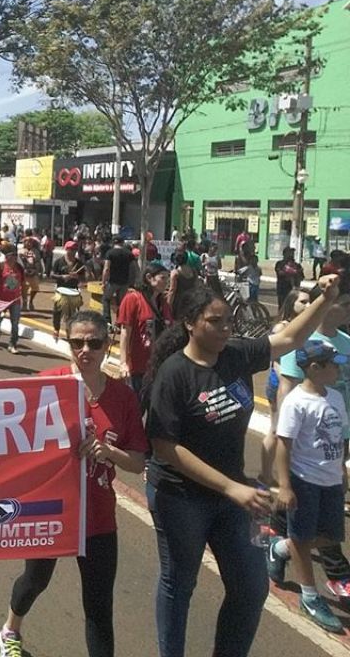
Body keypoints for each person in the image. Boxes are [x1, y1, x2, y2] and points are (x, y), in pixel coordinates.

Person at [143, 275, 341, 657]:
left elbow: (290, 340)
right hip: (181, 497)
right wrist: (232, 488)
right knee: (179, 584)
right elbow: (165, 447)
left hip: (232, 497)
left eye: (227, 321)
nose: (224, 328)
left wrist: (323, 298)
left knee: (251, 588)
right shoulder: (174, 375)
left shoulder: (235, 353)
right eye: (214, 321)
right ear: (190, 323)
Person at [0, 310, 147, 657]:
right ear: (68, 344)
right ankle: (10, 630)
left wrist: (107, 451)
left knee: (98, 607)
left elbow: (138, 461)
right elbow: (14, 445)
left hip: (97, 518)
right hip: (50, 511)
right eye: (77, 342)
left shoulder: (123, 397)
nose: (85, 350)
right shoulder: (45, 384)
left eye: (94, 342)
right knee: (35, 580)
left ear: (107, 344)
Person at [267, 341, 349, 634]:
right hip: (304, 480)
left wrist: (341, 469)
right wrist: (285, 485)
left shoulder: (336, 397)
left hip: (330, 479)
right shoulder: (297, 402)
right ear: (314, 368)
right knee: (303, 538)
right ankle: (310, 596)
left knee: (328, 537)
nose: (339, 369)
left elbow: (339, 438)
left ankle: (279, 548)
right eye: (333, 364)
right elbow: (284, 445)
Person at [259, 289, 312, 486]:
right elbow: (276, 362)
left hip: (297, 384)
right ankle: (265, 474)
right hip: (280, 384)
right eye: (303, 302)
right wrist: (287, 384)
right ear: (292, 304)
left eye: (309, 302)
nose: (308, 306)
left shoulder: (305, 326)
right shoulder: (282, 328)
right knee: (276, 430)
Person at [117, 262, 172, 399]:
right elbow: (125, 332)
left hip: (159, 365)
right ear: (149, 278)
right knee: (137, 406)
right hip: (138, 366)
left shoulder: (163, 302)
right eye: (163, 278)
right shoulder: (133, 299)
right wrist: (123, 362)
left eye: (168, 278)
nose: (167, 282)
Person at [0, 243, 25, 353]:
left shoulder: (19, 268)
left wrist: (24, 298)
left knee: (15, 323)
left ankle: (13, 344)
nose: (14, 257)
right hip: (1, 299)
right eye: (12, 255)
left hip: (15, 300)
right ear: (6, 256)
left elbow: (23, 283)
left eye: (15, 255)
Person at [51, 240, 86, 343]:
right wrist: (62, 276)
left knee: (72, 314)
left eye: (74, 250)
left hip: (73, 291)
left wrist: (78, 276)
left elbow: (84, 278)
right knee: (57, 312)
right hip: (60, 290)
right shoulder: (59, 261)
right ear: (66, 249)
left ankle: (69, 333)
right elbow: (52, 274)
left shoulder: (79, 263)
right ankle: (56, 329)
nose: (73, 252)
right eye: (71, 249)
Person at [101, 237, 135, 326]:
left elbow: (106, 268)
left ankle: (107, 321)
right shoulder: (129, 254)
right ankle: (119, 323)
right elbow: (133, 269)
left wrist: (103, 282)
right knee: (122, 302)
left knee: (106, 299)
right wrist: (131, 283)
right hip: (124, 282)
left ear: (113, 243)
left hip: (112, 282)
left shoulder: (110, 253)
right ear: (122, 242)